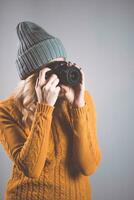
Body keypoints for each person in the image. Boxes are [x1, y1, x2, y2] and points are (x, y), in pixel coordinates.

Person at [0, 21, 102, 200]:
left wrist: (78, 106)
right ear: (34, 78)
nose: (60, 76)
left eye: (62, 66)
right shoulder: (6, 110)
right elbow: (31, 168)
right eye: (52, 70)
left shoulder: (83, 101)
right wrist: (44, 108)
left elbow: (88, 166)